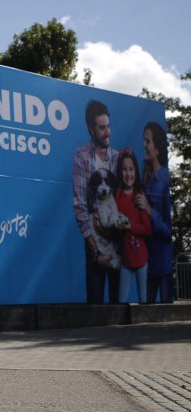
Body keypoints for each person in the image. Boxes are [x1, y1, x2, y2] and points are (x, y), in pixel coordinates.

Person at [72, 100, 120, 304]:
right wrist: (96, 251)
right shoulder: (81, 155)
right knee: (96, 310)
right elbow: (80, 204)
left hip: (117, 242)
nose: (107, 132)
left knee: (120, 305)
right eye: (101, 128)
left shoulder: (117, 158)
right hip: (94, 245)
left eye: (108, 126)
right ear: (91, 129)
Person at [135, 122, 174, 303]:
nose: (144, 145)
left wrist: (150, 211)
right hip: (148, 264)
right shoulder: (146, 180)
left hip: (163, 266)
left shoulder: (165, 182)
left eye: (147, 141)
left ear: (157, 149)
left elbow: (168, 231)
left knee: (167, 315)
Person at [114, 148, 151, 303]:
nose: (128, 174)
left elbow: (148, 229)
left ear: (135, 170)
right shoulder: (117, 196)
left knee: (144, 300)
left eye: (131, 169)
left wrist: (130, 226)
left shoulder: (139, 196)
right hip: (125, 260)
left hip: (141, 258)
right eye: (124, 169)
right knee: (122, 301)